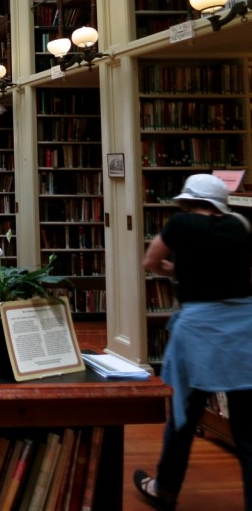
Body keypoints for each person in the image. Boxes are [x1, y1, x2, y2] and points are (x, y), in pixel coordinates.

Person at [134, 174, 252, 511]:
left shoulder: (180, 224)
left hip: (200, 329)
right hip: (243, 328)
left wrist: (178, 272)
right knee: (248, 428)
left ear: (188, 200)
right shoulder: (240, 224)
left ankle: (165, 488)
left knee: (184, 414)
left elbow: (151, 262)